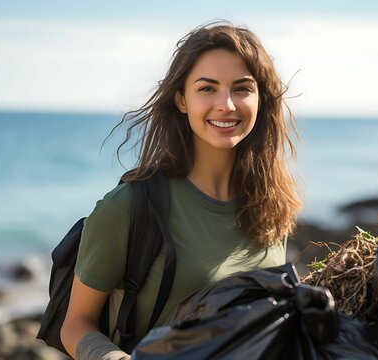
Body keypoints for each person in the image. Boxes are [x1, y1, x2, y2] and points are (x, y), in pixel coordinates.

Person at [60, 22, 302, 359]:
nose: (226, 104)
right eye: (207, 88)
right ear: (181, 99)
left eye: (242, 88)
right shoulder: (128, 207)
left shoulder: (272, 206)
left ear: (261, 99)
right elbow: (76, 324)